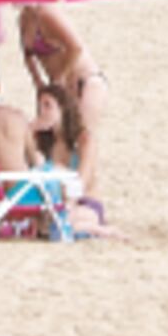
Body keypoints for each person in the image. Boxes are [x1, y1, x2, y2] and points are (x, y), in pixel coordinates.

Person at [20, 4, 108, 206]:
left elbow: (76, 47)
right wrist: (39, 84)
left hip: (83, 81)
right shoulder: (25, 19)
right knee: (58, 135)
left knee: (83, 137)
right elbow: (28, 55)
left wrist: (62, 76)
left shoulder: (46, 13)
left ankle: (85, 195)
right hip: (57, 85)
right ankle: (65, 191)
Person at [34, 84, 124, 238]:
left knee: (60, 225)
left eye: (48, 106)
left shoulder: (84, 140)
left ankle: (102, 230)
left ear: (62, 108)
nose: (43, 112)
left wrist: (68, 203)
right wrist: (29, 130)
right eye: (40, 107)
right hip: (56, 204)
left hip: (85, 202)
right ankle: (93, 229)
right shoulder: (42, 140)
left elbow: (82, 181)